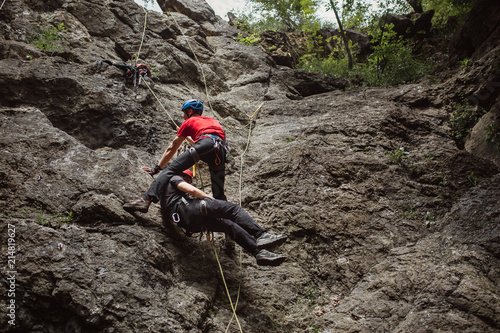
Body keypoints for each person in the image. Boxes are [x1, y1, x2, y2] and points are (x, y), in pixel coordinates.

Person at [163, 169, 288, 266]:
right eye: (188, 179)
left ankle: (258, 253)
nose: (189, 182)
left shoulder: (167, 196)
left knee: (229, 225)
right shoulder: (175, 178)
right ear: (182, 176)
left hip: (188, 224)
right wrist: (211, 201)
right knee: (233, 209)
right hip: (190, 208)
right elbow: (191, 190)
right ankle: (261, 234)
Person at [124, 99, 229, 213]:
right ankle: (226, 219)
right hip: (221, 151)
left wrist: (157, 168)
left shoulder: (189, 121)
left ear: (190, 111)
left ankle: (146, 199)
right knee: (218, 192)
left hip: (205, 144)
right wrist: (189, 138)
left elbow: (172, 148)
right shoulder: (214, 121)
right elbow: (208, 144)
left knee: (170, 170)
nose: (184, 117)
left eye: (184, 113)